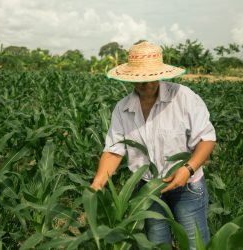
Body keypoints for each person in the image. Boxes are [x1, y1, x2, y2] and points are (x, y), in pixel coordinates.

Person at [90, 41, 216, 249]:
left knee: (194, 246)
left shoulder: (183, 97)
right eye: (141, 79)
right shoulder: (123, 109)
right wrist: (97, 184)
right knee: (157, 245)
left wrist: (188, 168)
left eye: (151, 78)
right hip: (148, 189)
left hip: (187, 186)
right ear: (130, 78)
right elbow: (113, 151)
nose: (147, 84)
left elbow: (206, 139)